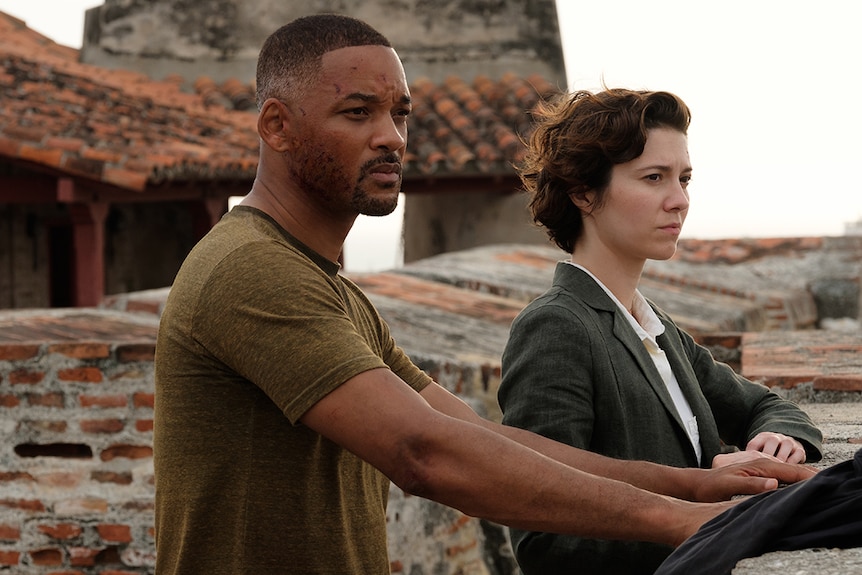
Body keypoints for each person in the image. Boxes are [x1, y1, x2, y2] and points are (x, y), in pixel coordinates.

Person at [152, 15, 815, 575]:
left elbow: (484, 439)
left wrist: (697, 484)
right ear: (276, 126)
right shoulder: (252, 269)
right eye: (358, 112)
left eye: (400, 113)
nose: (392, 136)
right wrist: (685, 519)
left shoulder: (330, 289)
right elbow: (424, 454)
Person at [496, 88, 824, 575]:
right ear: (583, 192)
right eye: (654, 178)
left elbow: (765, 404)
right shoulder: (556, 327)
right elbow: (544, 537)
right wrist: (707, 516)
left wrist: (776, 439)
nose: (679, 201)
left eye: (684, 178)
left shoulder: (655, 326)